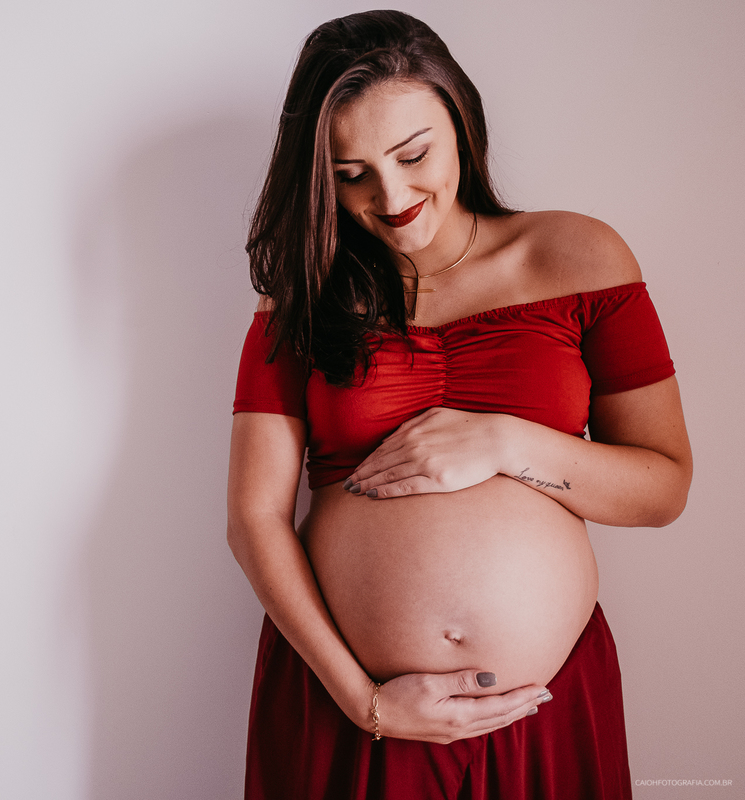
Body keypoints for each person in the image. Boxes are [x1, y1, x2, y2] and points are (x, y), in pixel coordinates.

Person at [226, 10, 692, 800]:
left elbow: (664, 488)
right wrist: (366, 701)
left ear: (460, 121)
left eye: (413, 154)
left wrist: (510, 442)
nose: (393, 193)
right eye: (351, 174)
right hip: (351, 703)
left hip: (538, 708)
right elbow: (253, 518)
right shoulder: (300, 301)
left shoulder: (579, 256)